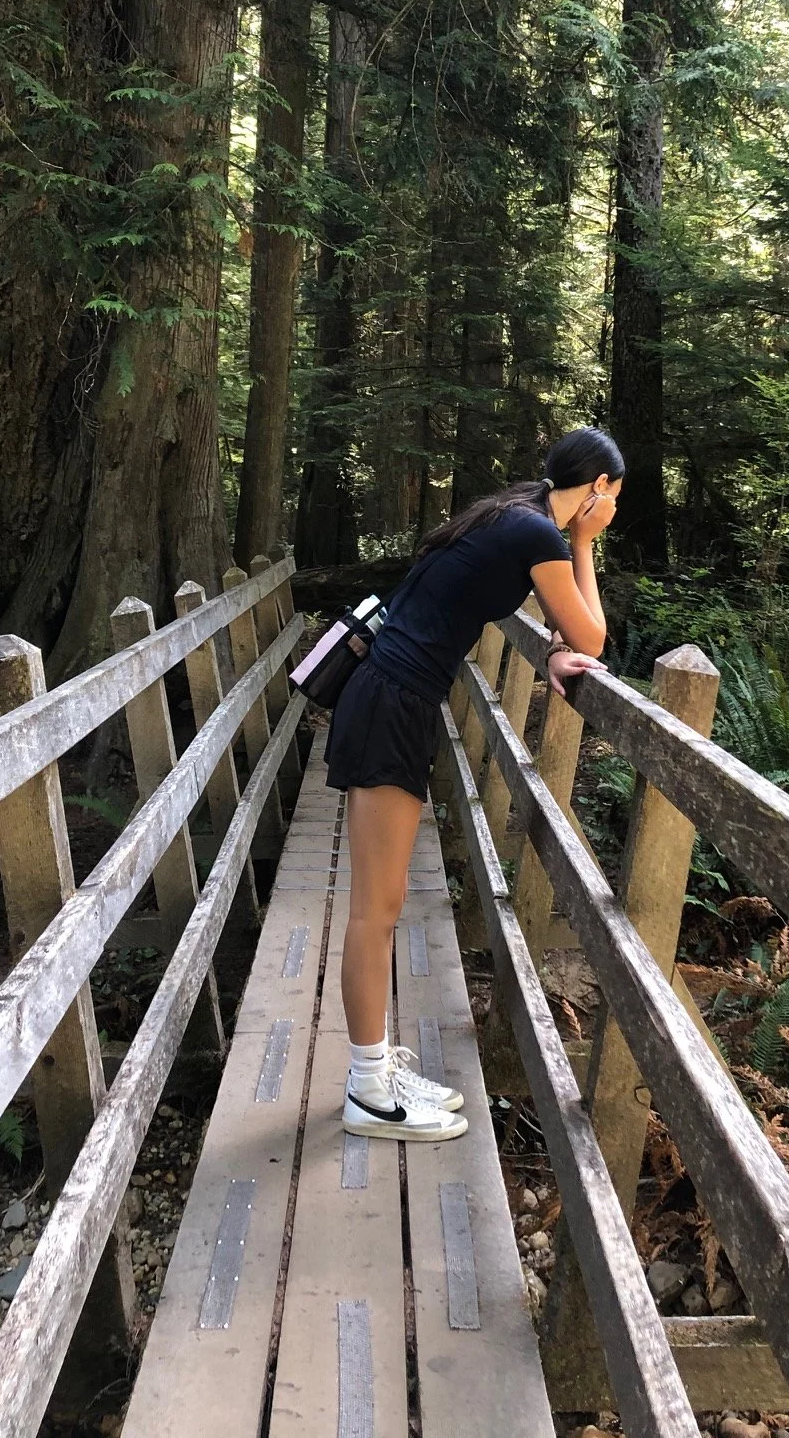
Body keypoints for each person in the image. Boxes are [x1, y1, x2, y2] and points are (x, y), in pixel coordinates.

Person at [324, 426, 624, 1141]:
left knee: (382, 904)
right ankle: (368, 1090)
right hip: (393, 702)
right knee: (375, 909)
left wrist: (550, 653)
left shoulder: (513, 514)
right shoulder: (542, 533)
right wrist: (587, 541)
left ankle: (375, 1070)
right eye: (612, 495)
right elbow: (593, 637)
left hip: (391, 695)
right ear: (598, 488)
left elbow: (550, 626)